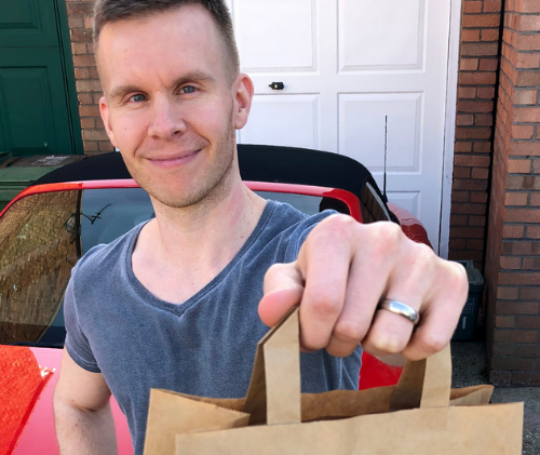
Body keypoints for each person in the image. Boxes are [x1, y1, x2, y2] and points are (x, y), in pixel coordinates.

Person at [53, 1, 468, 454]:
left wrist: (411, 285)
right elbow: (77, 404)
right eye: (135, 97)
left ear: (239, 101)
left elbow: (364, 257)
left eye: (188, 87)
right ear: (109, 121)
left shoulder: (309, 259)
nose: (164, 125)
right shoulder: (93, 285)